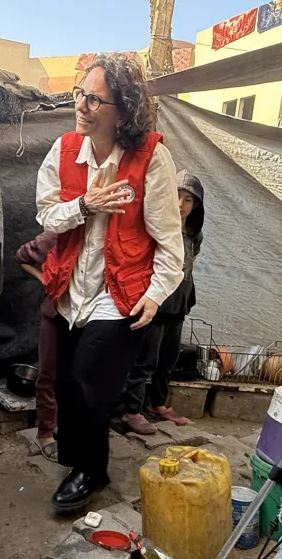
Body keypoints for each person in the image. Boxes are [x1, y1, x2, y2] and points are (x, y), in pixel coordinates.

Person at [36, 54, 185, 512]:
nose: (81, 105)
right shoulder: (63, 151)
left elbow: (169, 239)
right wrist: (85, 204)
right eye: (81, 94)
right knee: (66, 382)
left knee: (89, 379)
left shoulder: (151, 158)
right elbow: (45, 214)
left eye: (94, 99)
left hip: (118, 295)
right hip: (70, 290)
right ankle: (78, 458)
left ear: (123, 110)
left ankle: (92, 472)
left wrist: (156, 296)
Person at [120, 171, 205, 434]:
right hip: (154, 304)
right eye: (176, 196)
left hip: (178, 305)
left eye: (188, 199)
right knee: (144, 360)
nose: (180, 205)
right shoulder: (154, 228)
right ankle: (131, 411)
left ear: (196, 205)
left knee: (167, 359)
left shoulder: (194, 235)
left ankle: (157, 404)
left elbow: (188, 267)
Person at [14, 231, 60, 461]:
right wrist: (43, 278)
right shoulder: (54, 238)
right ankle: (45, 432)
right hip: (55, 314)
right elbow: (21, 257)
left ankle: (63, 424)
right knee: (48, 374)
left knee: (74, 375)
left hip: (87, 318)